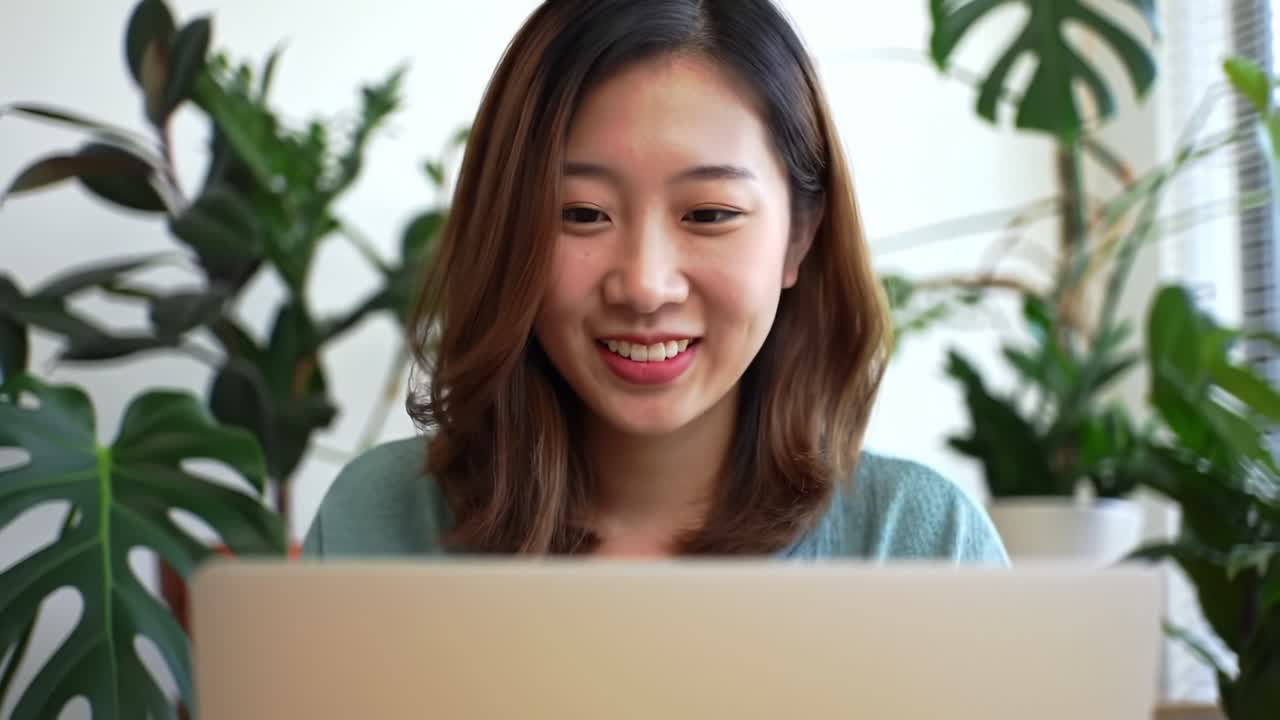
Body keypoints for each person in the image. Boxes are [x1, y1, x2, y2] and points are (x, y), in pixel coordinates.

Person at [304, 0, 1007, 563]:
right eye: (582, 214)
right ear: (508, 227)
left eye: (708, 214)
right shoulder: (379, 522)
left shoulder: (921, 547)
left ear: (800, 235)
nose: (644, 286)